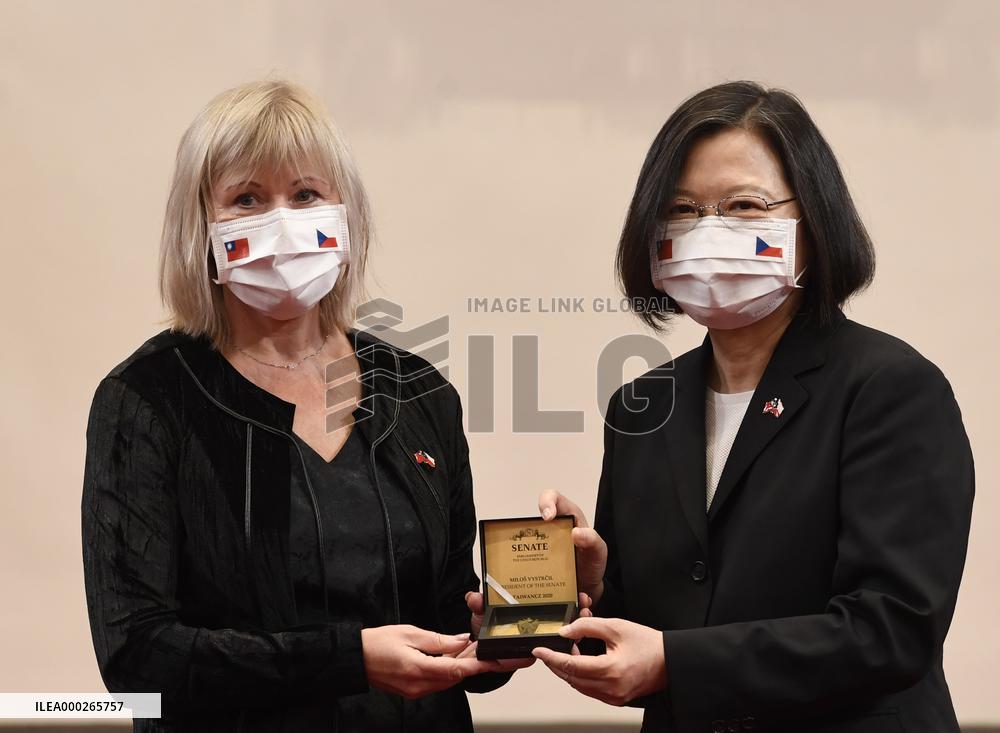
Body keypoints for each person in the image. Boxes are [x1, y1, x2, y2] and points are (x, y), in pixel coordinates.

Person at [81, 79, 526, 733]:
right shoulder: (147, 401)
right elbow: (138, 656)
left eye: (306, 194)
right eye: (247, 198)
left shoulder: (420, 392)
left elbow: (443, 620)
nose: (282, 221)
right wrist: (352, 660)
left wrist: (511, 624)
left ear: (345, 215)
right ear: (200, 226)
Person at [532, 81, 975, 733]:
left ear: (814, 218)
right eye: (681, 210)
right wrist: (589, 585)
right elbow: (651, 626)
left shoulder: (890, 388)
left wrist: (676, 662)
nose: (708, 232)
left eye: (743, 205)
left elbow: (892, 628)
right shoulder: (642, 405)